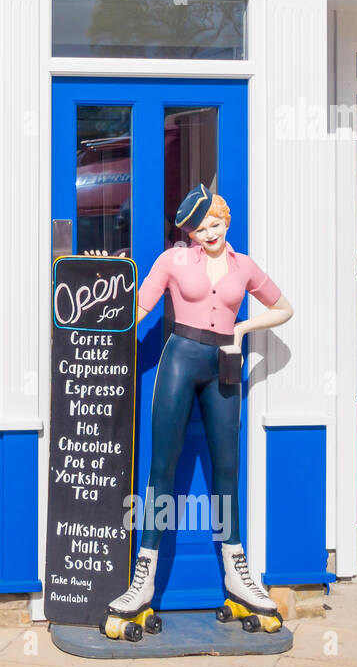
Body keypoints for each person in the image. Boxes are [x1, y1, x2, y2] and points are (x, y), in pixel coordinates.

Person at [96, 184, 295, 641]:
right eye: (199, 227)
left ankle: (237, 575)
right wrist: (99, 287)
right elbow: (140, 308)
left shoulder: (244, 266)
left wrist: (243, 326)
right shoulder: (172, 261)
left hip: (224, 361)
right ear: (189, 230)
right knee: (160, 470)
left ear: (227, 220)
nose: (209, 232)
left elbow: (283, 308)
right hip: (179, 360)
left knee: (227, 469)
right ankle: (142, 580)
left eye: (215, 223)